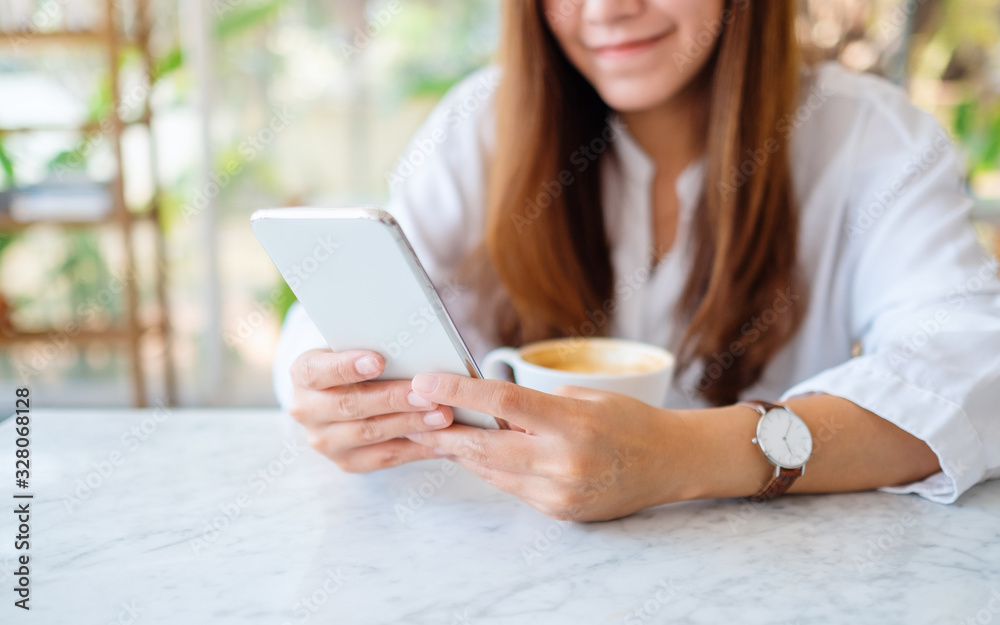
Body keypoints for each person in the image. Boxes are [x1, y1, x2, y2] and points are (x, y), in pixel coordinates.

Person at [273, 0, 1000, 521]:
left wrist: (690, 453)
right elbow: (330, 325)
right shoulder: (480, 128)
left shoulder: (869, 139)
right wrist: (330, 388)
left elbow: (972, 367)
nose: (606, 9)